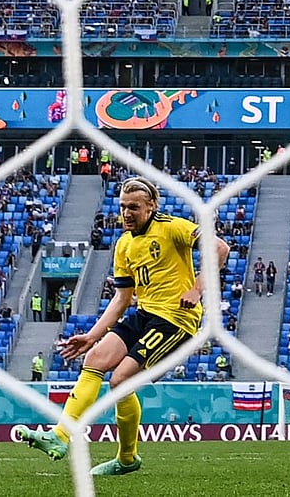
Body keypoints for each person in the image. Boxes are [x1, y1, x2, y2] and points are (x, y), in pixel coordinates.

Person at [19, 177, 229, 476]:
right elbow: (121, 299)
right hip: (144, 314)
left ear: (151, 206)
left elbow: (219, 248)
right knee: (93, 361)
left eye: (134, 207)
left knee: (120, 381)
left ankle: (127, 458)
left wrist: (197, 289)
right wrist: (92, 336)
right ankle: (60, 436)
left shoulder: (172, 227)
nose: (127, 213)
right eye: (122, 207)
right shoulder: (124, 245)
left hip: (175, 320)